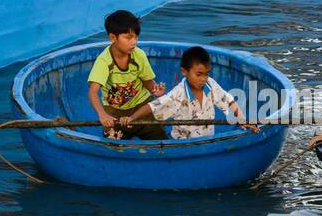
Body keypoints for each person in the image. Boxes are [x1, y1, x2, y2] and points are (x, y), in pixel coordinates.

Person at [120, 46, 259, 139]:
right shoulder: (178, 93)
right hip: (183, 146)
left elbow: (228, 100)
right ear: (184, 72)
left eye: (206, 74)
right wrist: (131, 118)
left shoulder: (210, 84)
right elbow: (153, 106)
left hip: (207, 143)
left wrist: (242, 120)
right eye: (199, 74)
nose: (203, 79)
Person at [87, 10, 166, 139]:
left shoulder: (139, 55)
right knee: (112, 146)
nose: (134, 42)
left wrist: (156, 91)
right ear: (113, 38)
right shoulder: (104, 61)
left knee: (159, 141)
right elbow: (93, 92)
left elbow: (147, 82)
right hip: (114, 111)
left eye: (136, 37)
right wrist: (103, 115)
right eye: (128, 37)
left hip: (141, 107)